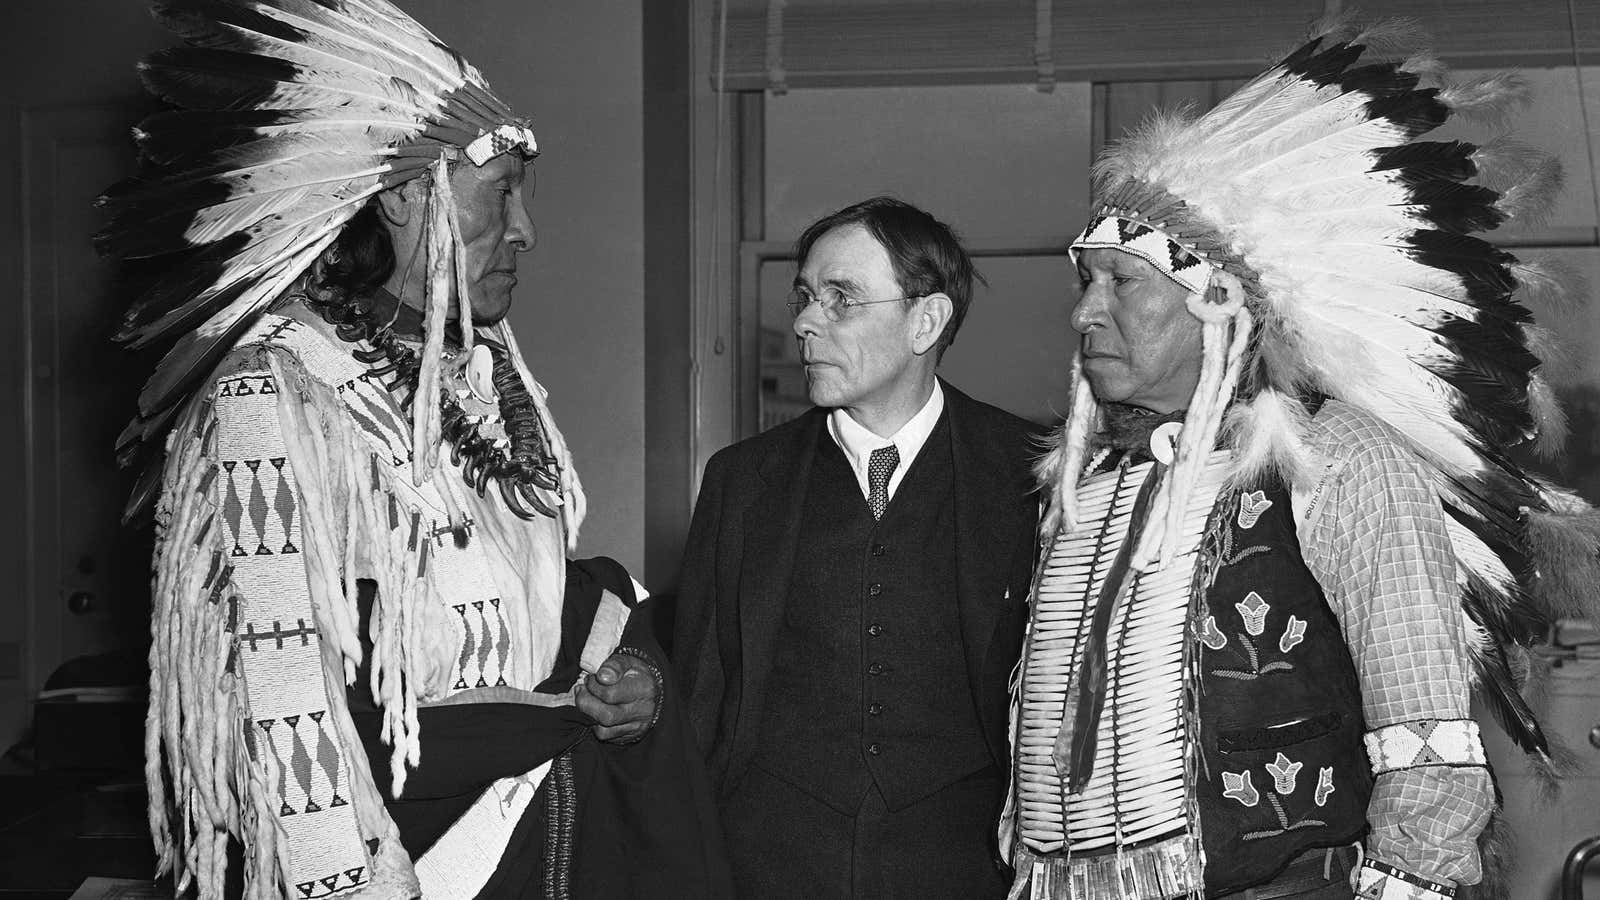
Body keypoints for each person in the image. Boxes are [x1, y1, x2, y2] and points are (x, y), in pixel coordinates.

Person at [99, 1, 729, 896]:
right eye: (502, 191)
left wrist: (624, 684)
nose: (525, 230)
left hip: (543, 840)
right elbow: (280, 709)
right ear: (403, 195)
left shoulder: (484, 367)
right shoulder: (273, 393)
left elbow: (523, 607)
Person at [1003, 18, 1600, 900]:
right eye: (1084, 283)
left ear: (1216, 305)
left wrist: (1404, 883)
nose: (1085, 314)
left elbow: (1426, 730)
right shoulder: (1096, 476)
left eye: (1120, 282)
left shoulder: (1336, 457)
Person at [673, 196, 1042, 898]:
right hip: (771, 861)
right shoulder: (741, 482)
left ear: (924, 321)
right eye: (806, 297)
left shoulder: (1030, 474)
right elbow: (701, 696)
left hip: (964, 867)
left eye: (842, 299)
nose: (807, 322)